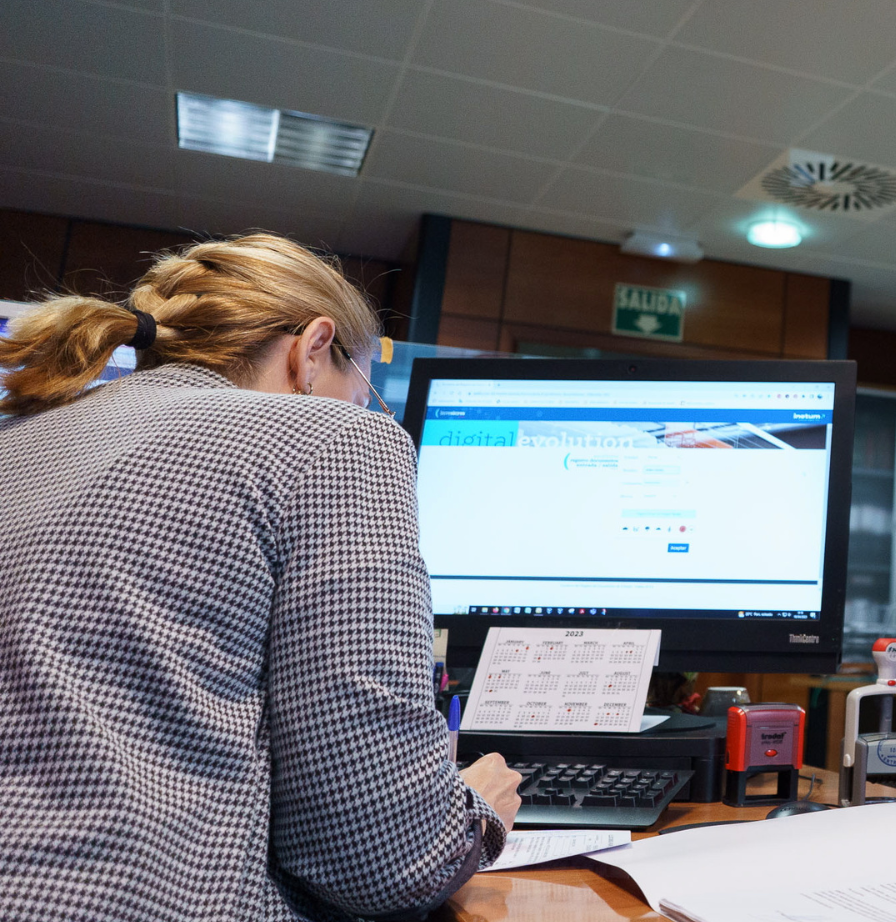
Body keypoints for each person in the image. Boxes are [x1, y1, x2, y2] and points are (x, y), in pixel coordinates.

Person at [0, 234, 522, 921]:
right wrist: (476, 811)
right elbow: (382, 860)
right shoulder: (331, 441)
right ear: (312, 350)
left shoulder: (17, 440)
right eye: (364, 391)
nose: (367, 414)